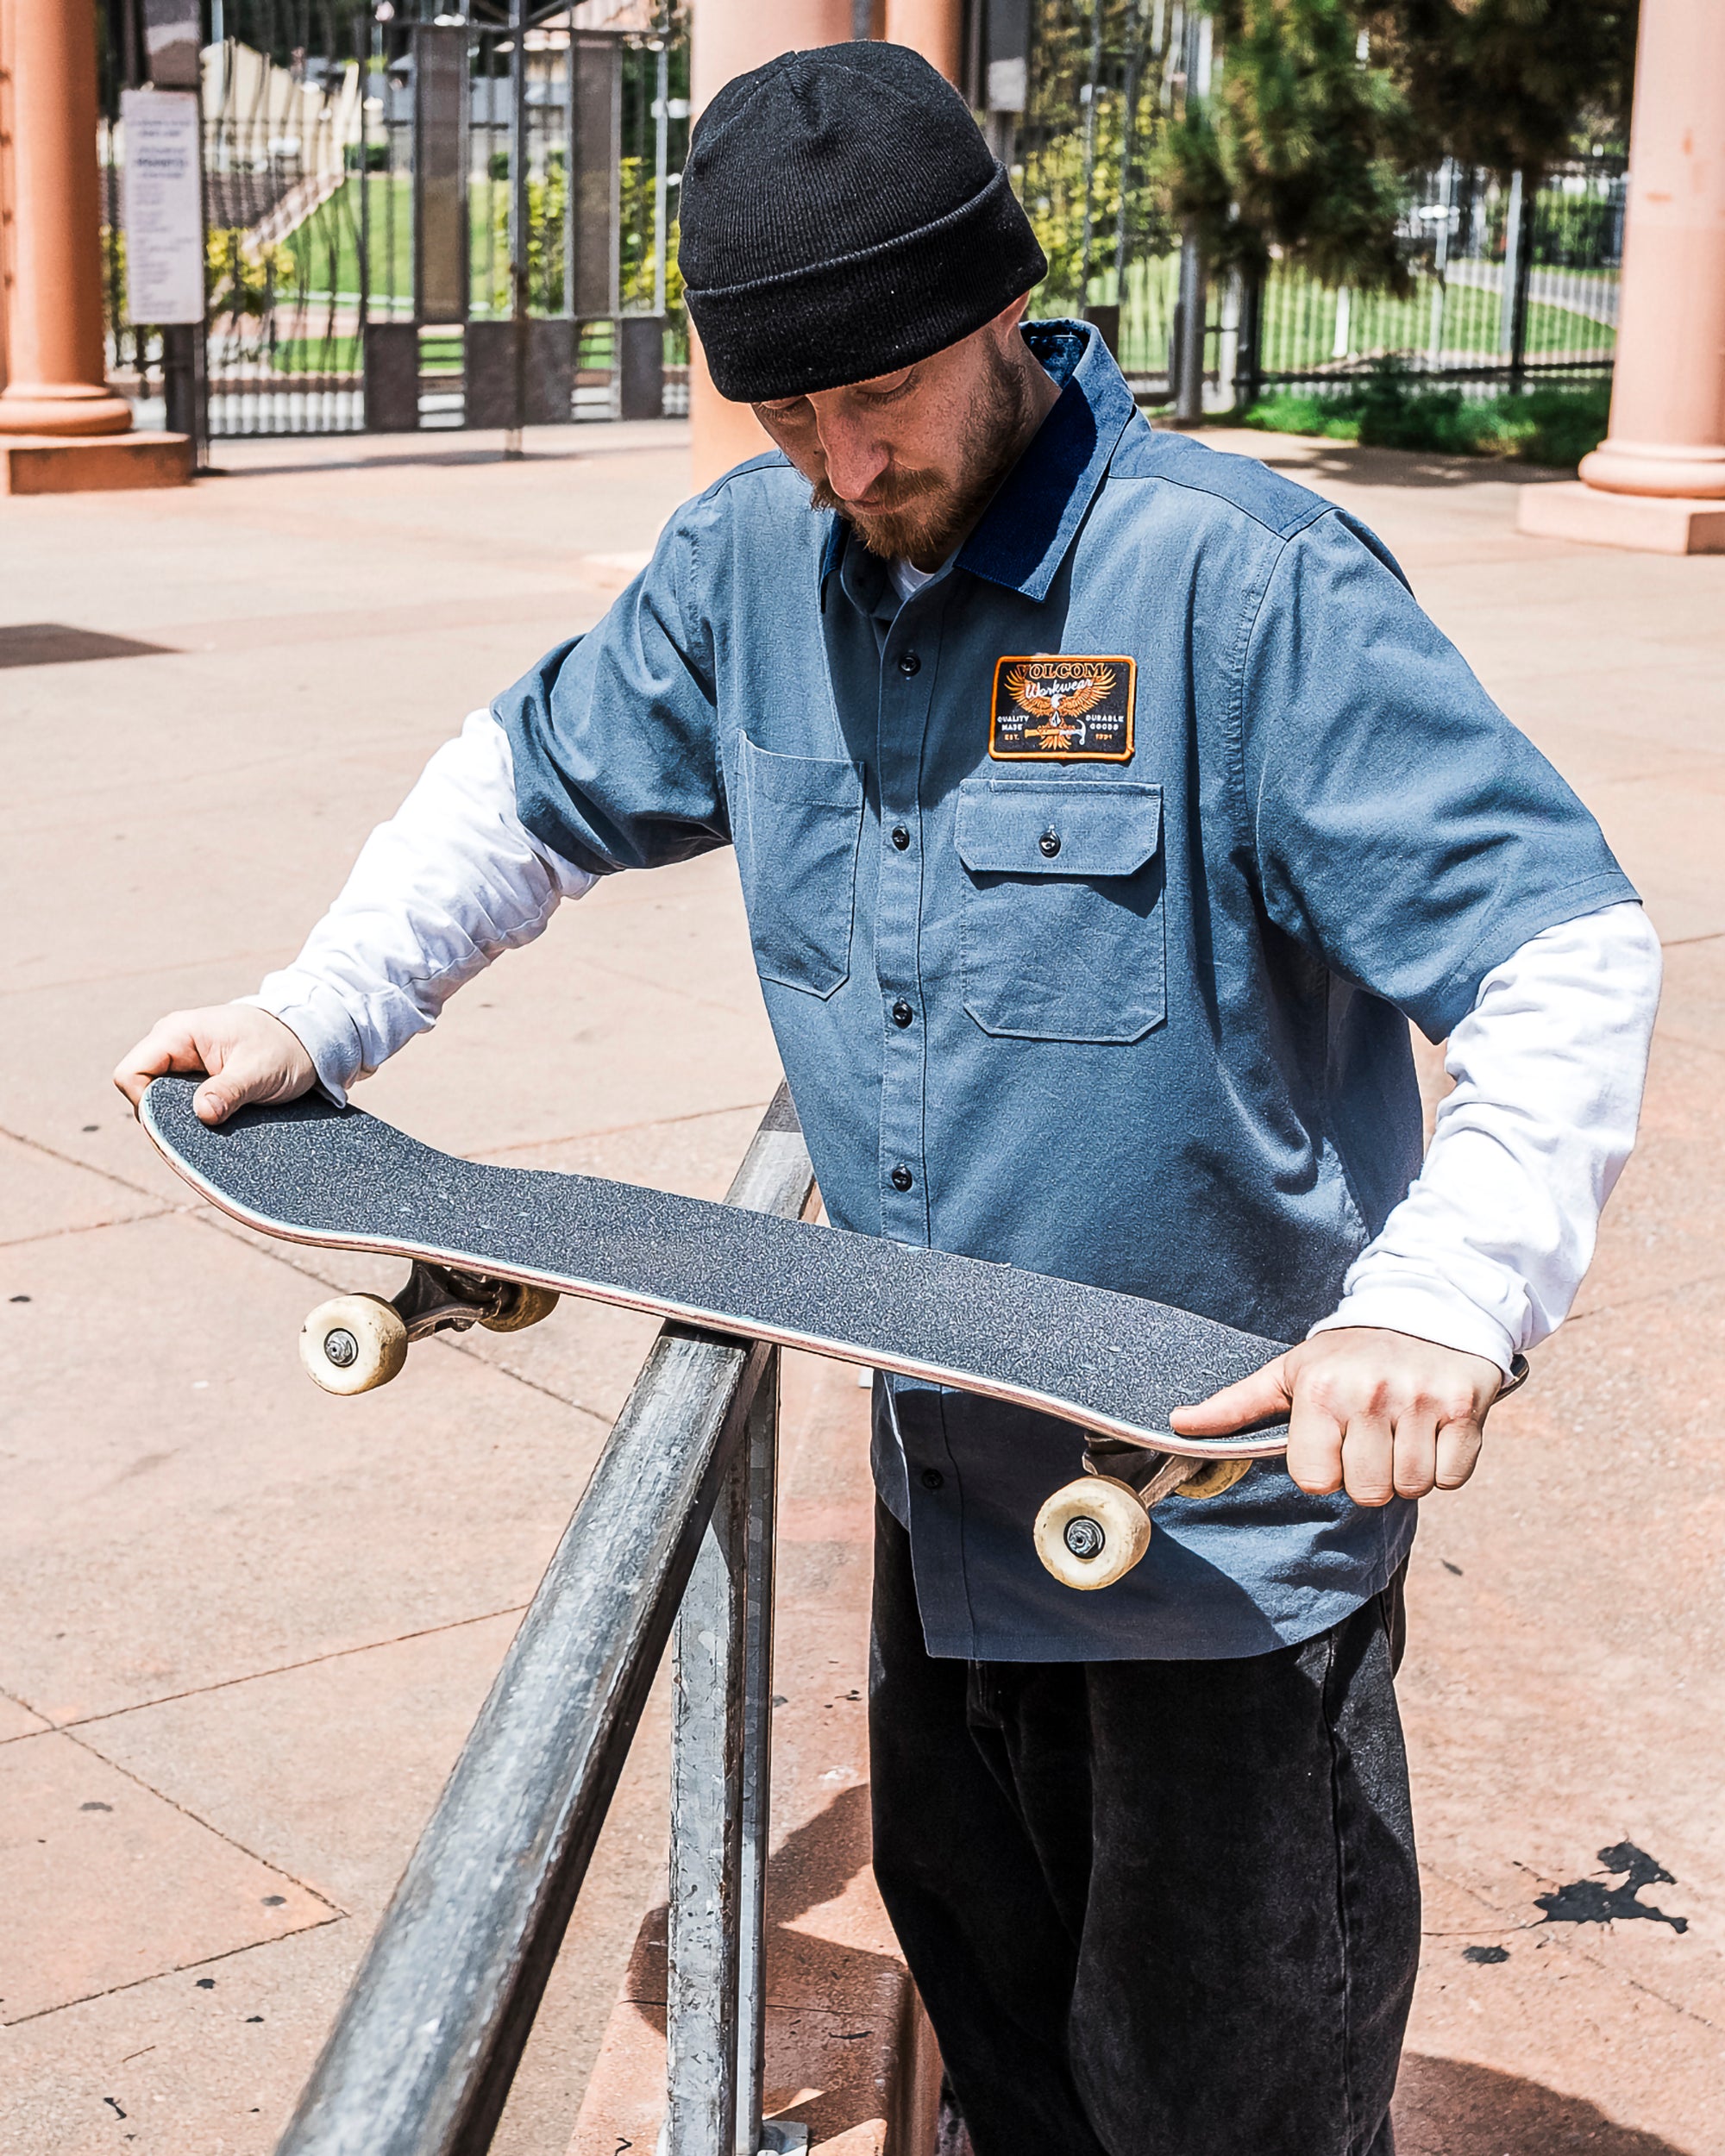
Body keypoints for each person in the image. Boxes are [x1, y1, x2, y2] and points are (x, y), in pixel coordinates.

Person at [116, 43, 1659, 2156]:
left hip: (1222, 1552)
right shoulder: (748, 565)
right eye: (789, 415)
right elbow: (525, 786)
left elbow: (1558, 944)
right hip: (957, 1514)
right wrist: (321, 1009)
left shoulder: (1238, 584)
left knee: (1224, 2105)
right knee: (1003, 2066)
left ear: (1000, 308)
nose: (845, 460)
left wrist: (1444, 1297)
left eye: (883, 399)